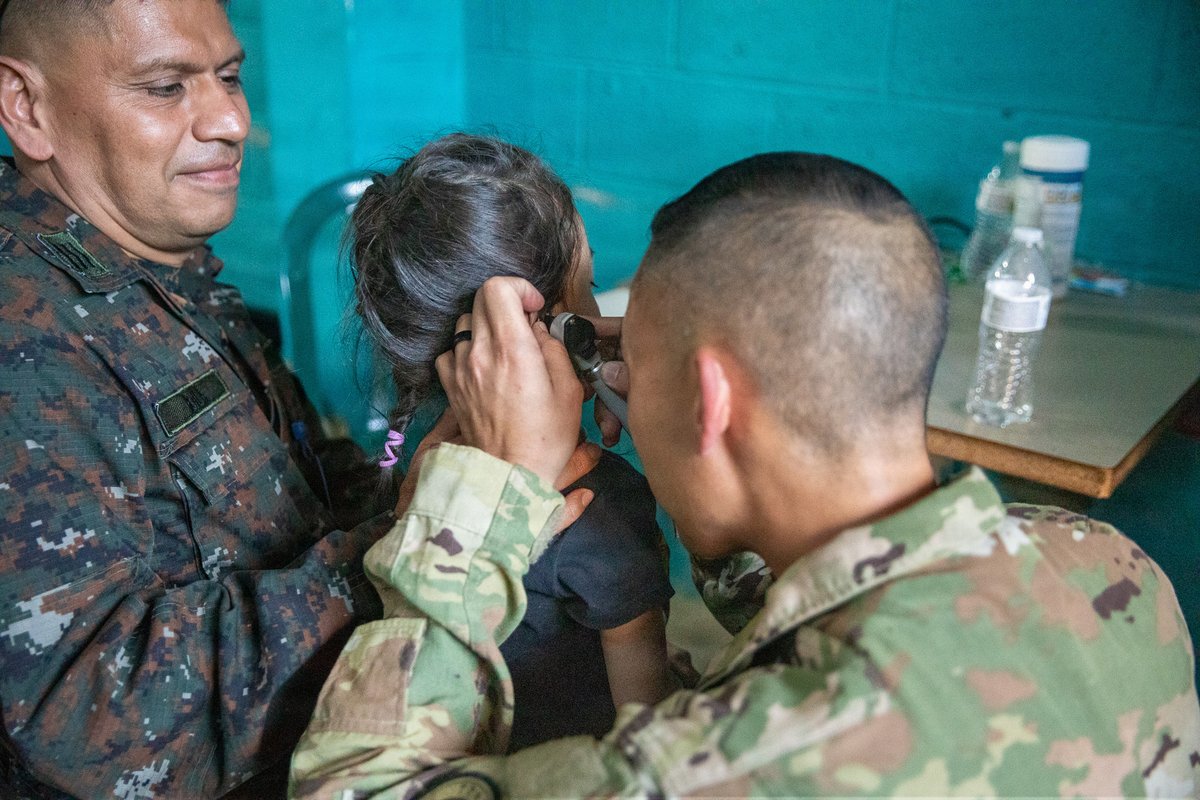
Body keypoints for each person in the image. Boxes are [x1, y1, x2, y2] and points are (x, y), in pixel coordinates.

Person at [289, 151, 1200, 798]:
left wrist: (473, 502)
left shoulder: (705, 768)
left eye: (635, 365)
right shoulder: (1113, 572)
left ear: (710, 404)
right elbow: (831, 611)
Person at [0, 3, 602, 797]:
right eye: (164, 88)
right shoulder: (24, 337)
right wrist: (424, 541)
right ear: (27, 108)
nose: (230, 121)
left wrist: (446, 475)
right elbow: (91, 717)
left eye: (229, 77)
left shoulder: (157, 277)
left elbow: (296, 493)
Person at [347, 133, 675, 749]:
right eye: (589, 286)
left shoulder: (418, 466)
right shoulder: (601, 505)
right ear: (548, 331)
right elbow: (647, 723)